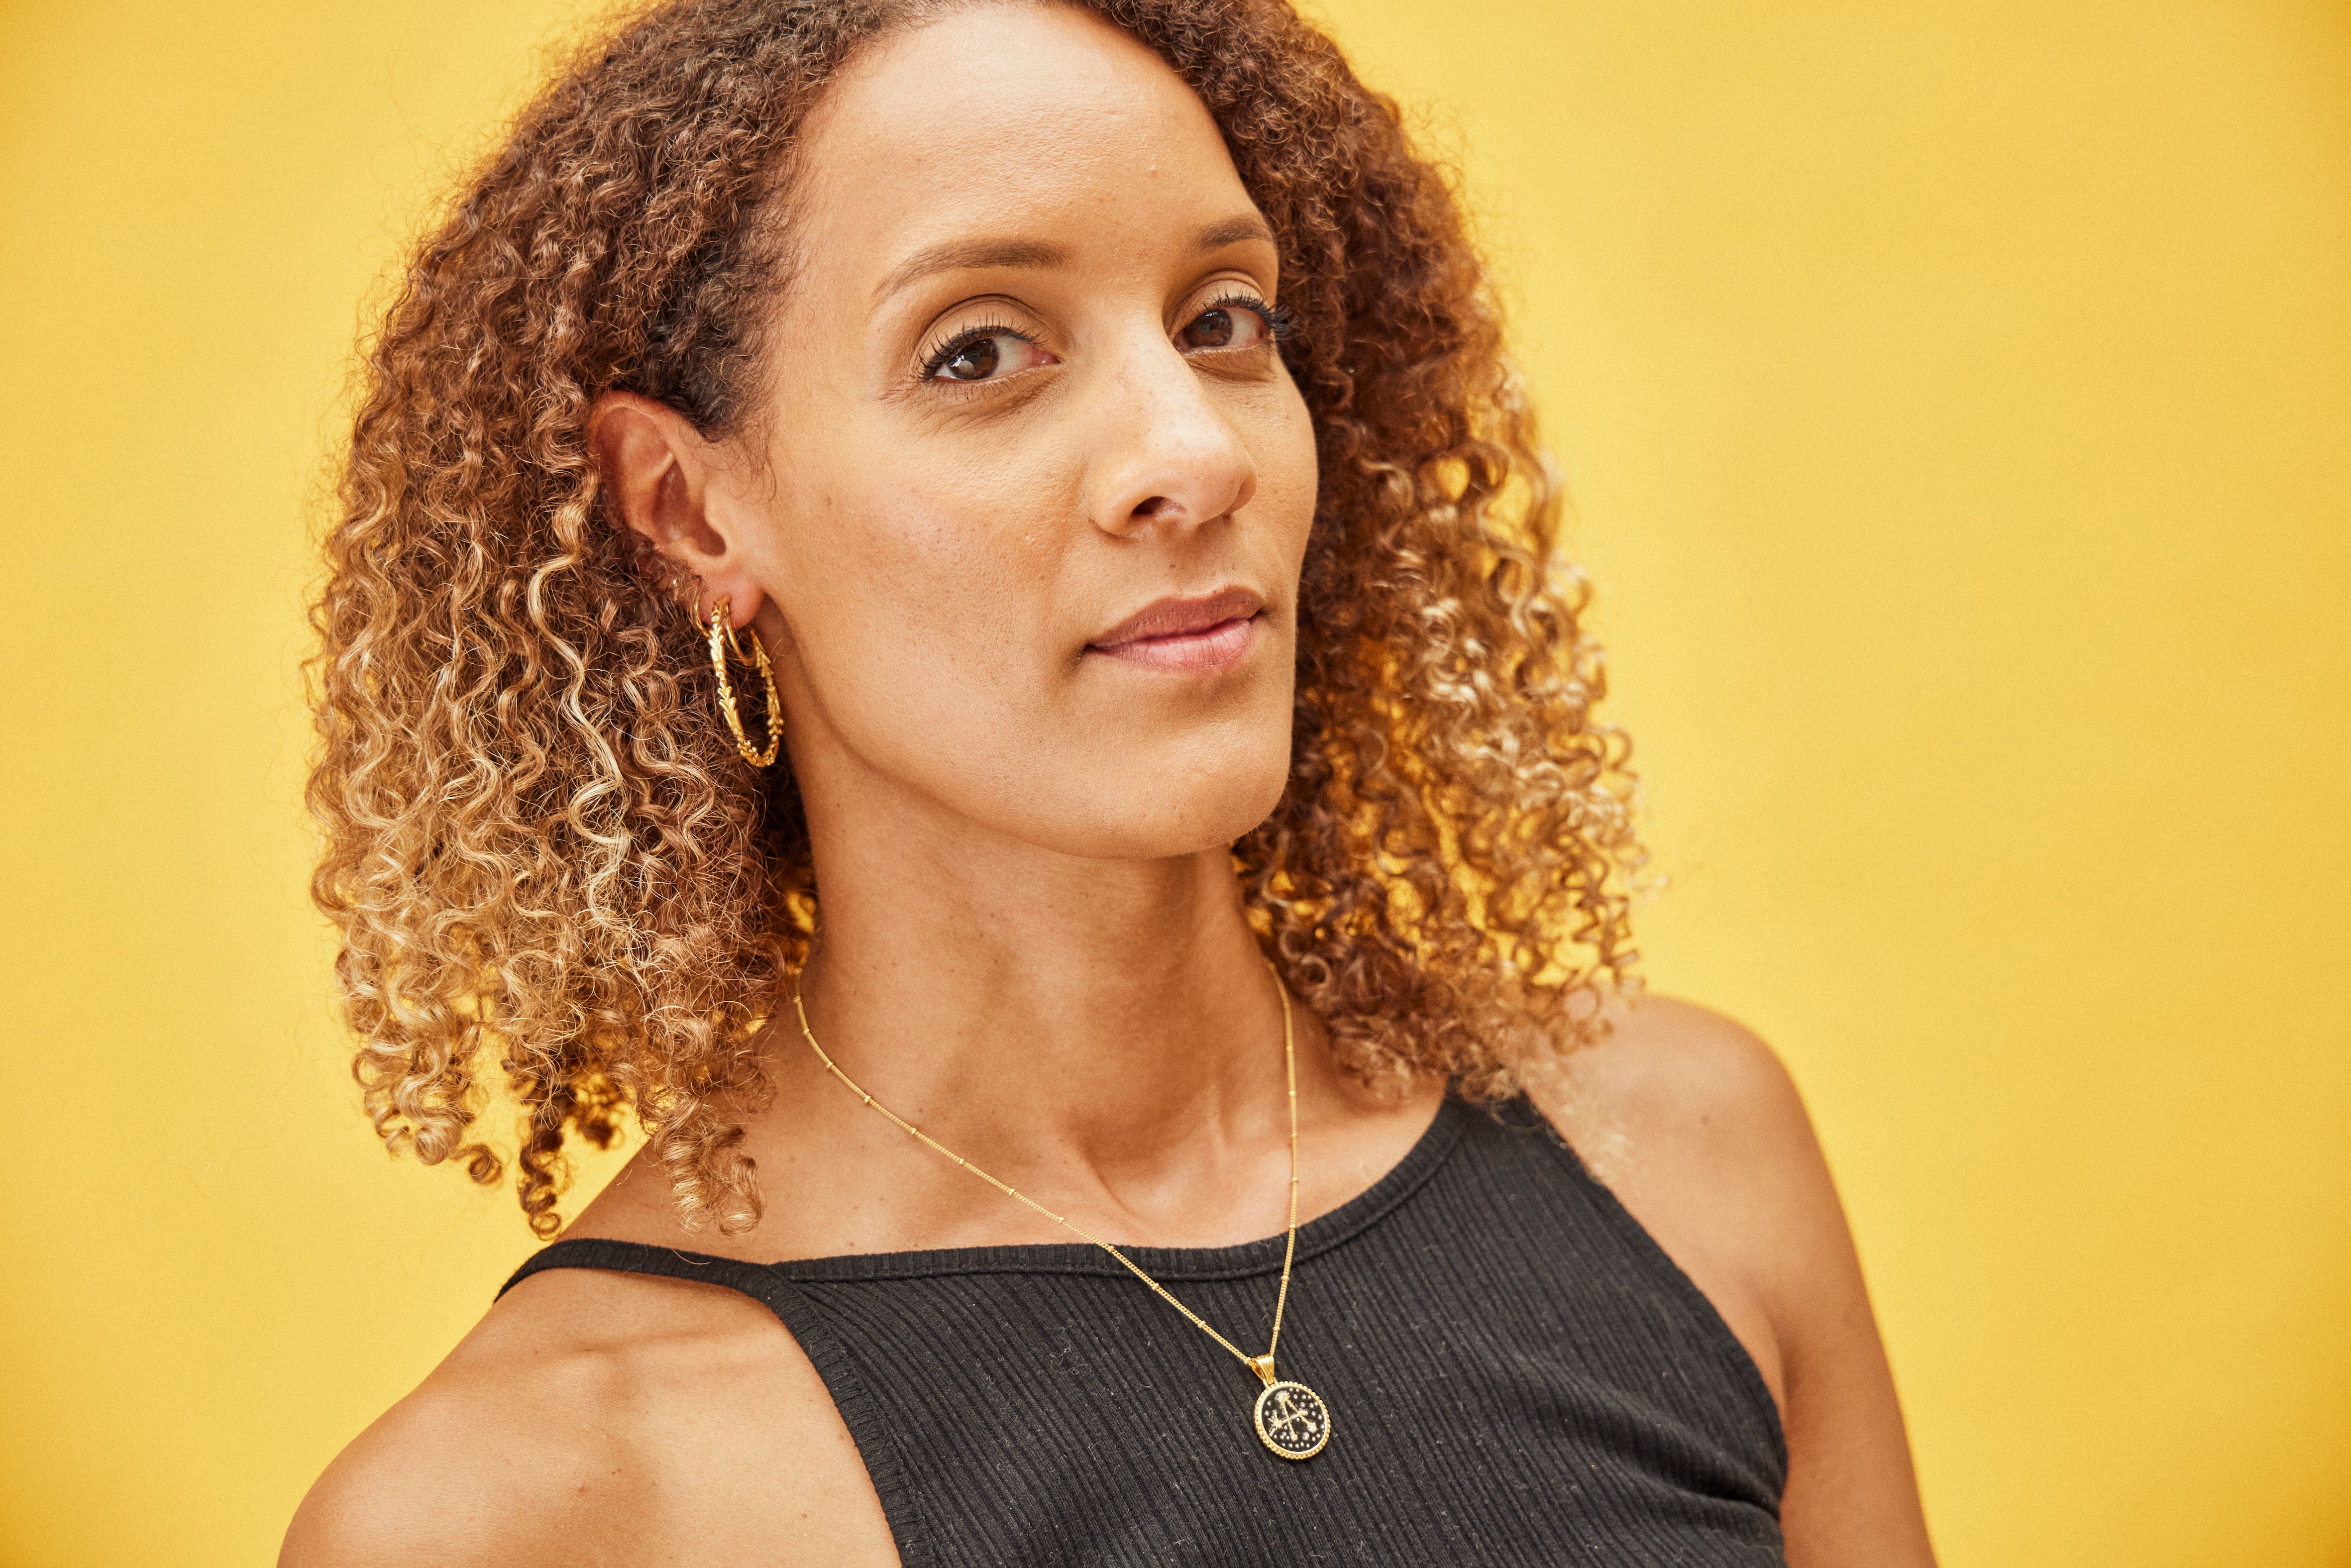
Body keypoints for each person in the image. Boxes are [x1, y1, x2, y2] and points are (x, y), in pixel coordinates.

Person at [285, 0, 1937, 1562]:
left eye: (1223, 323)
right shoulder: (531, 1506)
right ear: (689, 513)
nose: (1194, 452)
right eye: (977, 352)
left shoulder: (1685, 1157)